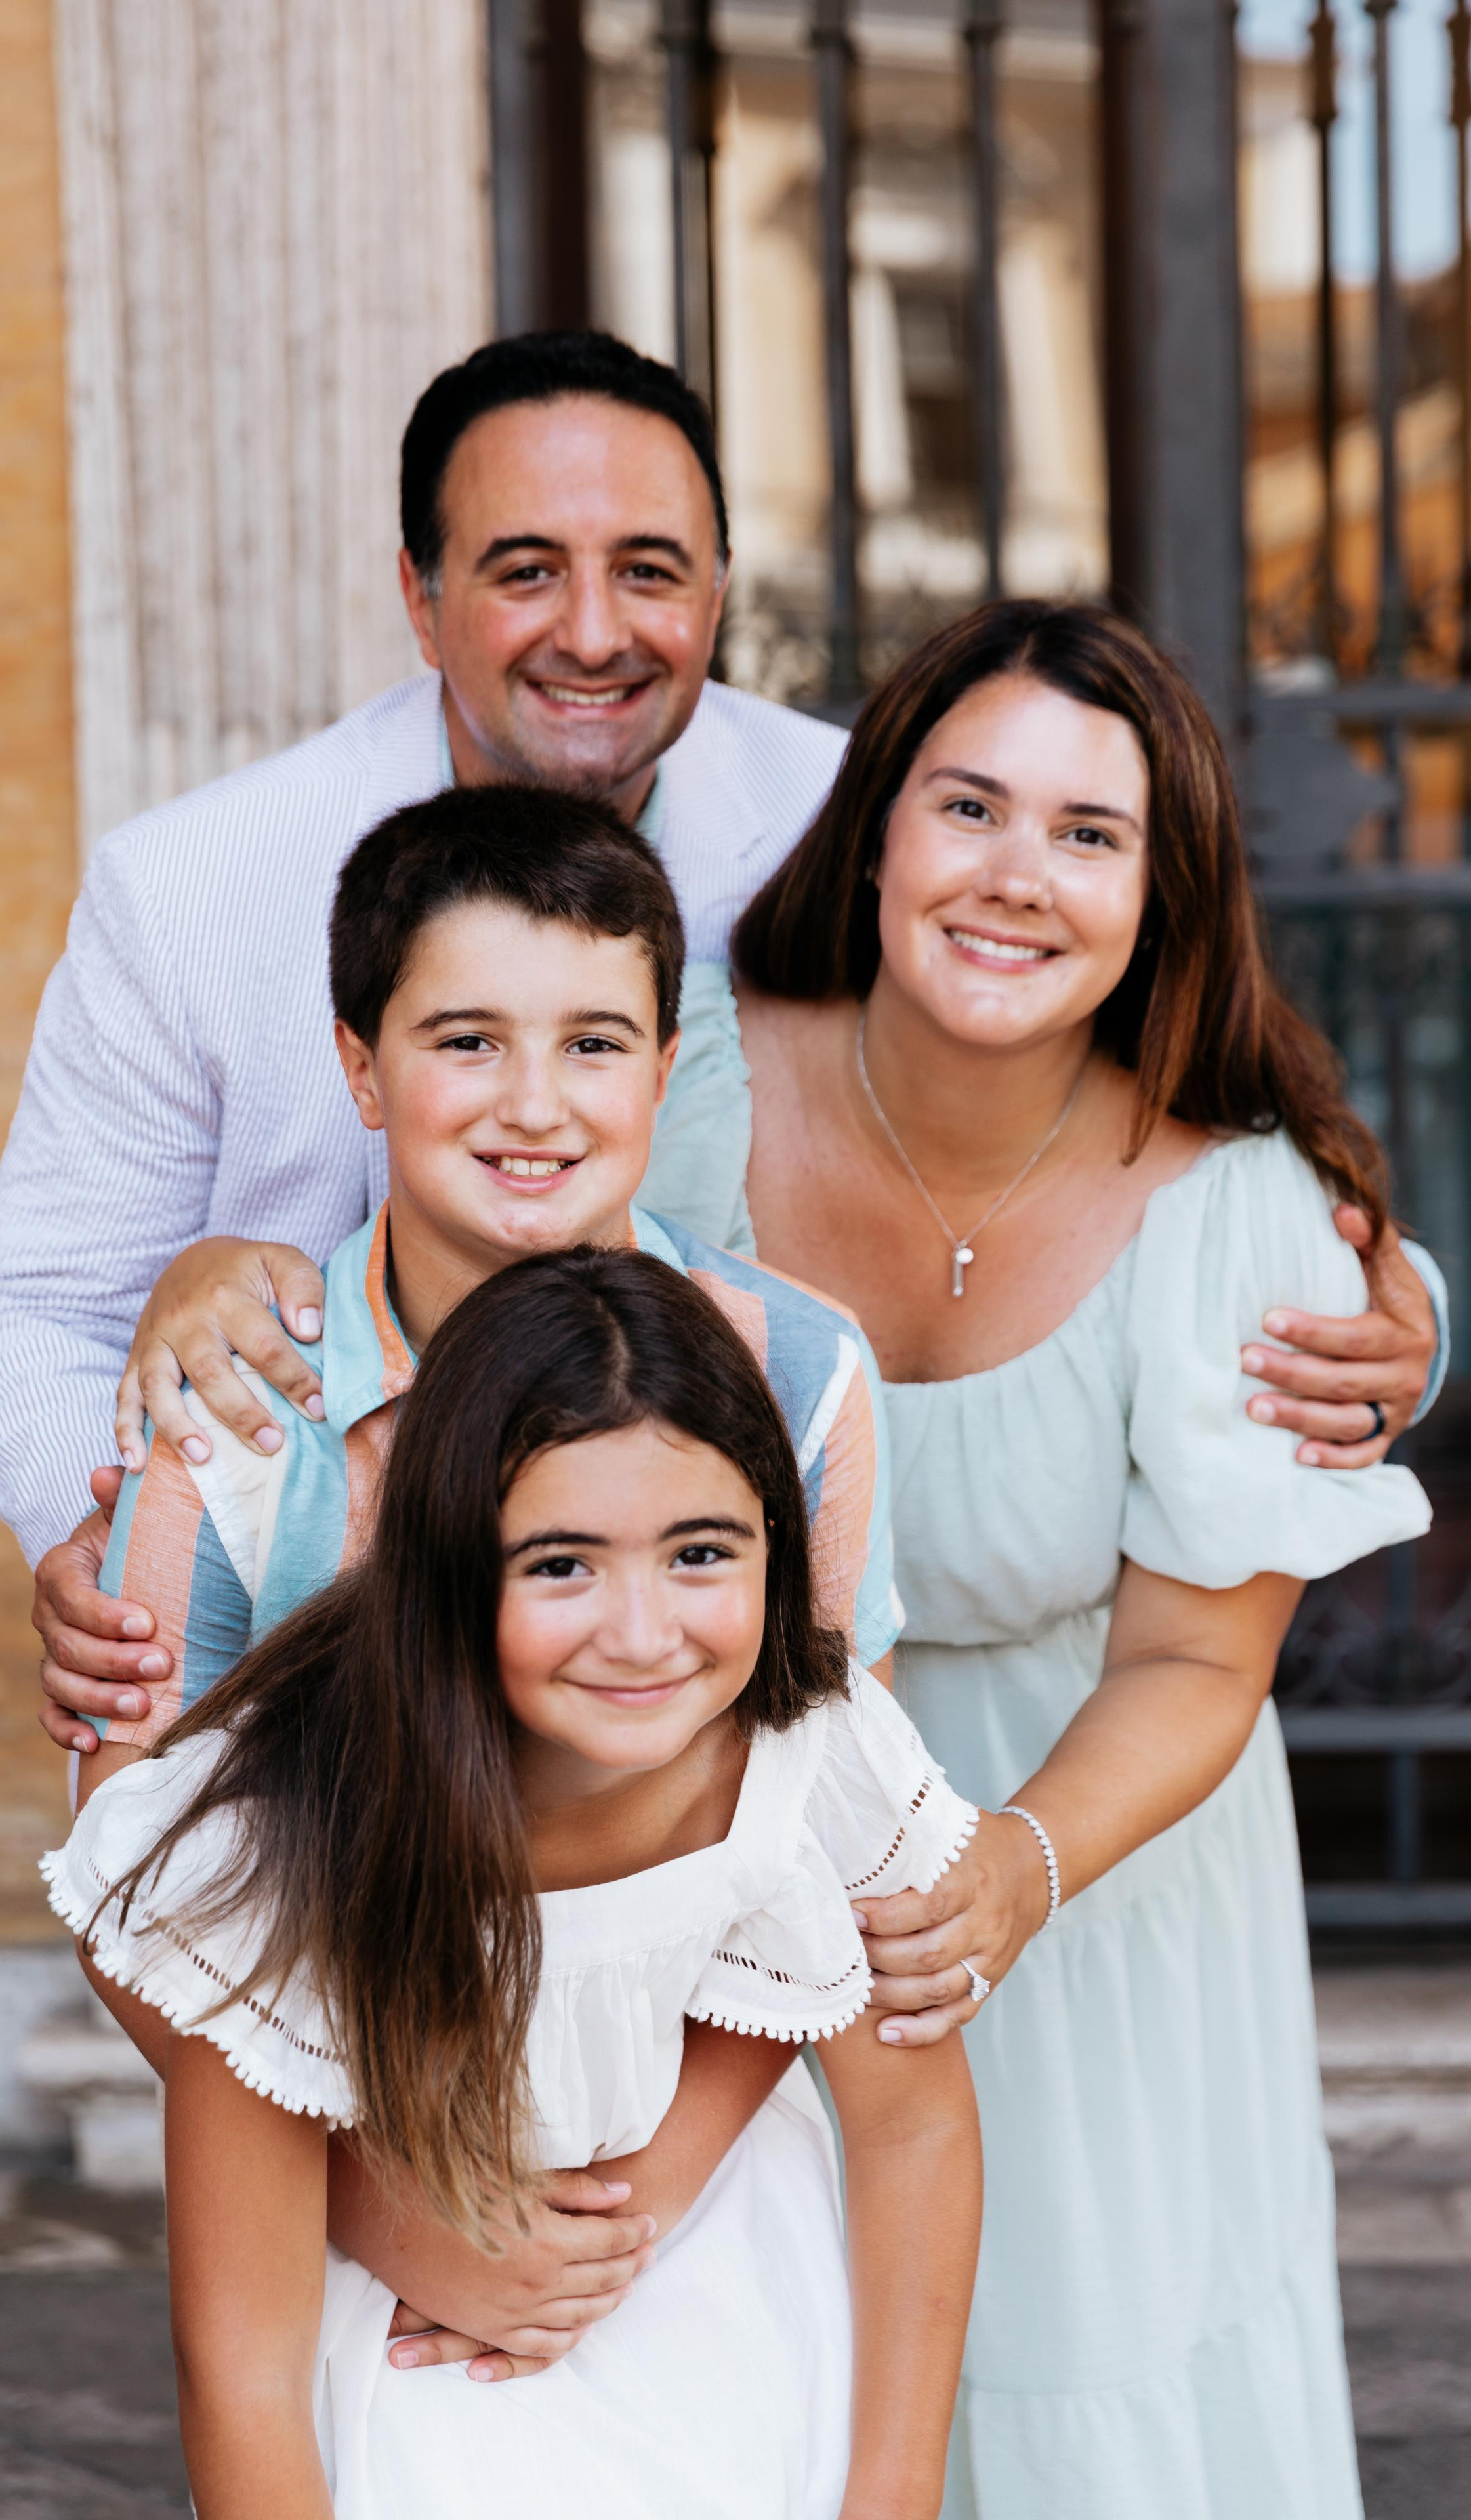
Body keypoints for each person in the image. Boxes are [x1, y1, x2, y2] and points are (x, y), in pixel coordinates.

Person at [0, 328, 1444, 1755]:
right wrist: (104, 1544)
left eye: (648, 572)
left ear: (720, 590)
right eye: (523, 571)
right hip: (320, 1678)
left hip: (693, 1667)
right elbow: (41, 1309)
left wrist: (1383, 1298)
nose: (592, 633)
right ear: (417, 598)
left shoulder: (858, 816)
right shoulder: (189, 887)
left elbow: (1122, 1057)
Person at [635, 599, 1431, 2518]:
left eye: (1090, 835)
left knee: (1091, 2407)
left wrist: (1012, 1870)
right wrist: (221, 1277)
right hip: (739, 1873)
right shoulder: (688, 1088)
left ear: (1164, 893)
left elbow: (1195, 1666)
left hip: (1098, 1870)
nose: (1016, 877)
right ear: (879, 828)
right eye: (969, 806)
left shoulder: (1235, 1206)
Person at [77, 780, 909, 2387]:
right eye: (466, 1040)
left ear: (668, 1069)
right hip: (345, 2175)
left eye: (594, 1043)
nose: (534, 1103)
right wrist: (387, 2210)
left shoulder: (794, 1371)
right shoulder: (243, 1402)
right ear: (356, 1067)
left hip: (702, 2157)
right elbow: (130, 1885)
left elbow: (813, 1827)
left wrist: (633, 2204)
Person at [47, 1246, 984, 2519]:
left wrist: (893, 2489)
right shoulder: (293, 1833)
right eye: (559, 1565)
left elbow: (911, 2118)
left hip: (741, 2291)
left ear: (775, 1534)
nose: (642, 1634)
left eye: (700, 1553)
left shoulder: (811, 1750)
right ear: (446, 1562)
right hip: (424, 2349)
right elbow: (241, 2371)